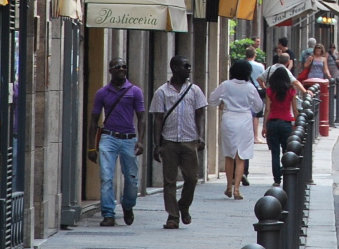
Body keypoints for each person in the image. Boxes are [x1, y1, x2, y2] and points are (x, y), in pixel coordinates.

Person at [149, 56, 207, 229]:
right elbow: (157, 118)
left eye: (189, 66)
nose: (189, 68)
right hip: (169, 141)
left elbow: (200, 114)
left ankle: (184, 205)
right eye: (185, 66)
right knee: (169, 181)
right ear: (174, 67)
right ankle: (172, 216)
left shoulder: (195, 90)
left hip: (189, 140)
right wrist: (157, 144)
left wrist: (201, 136)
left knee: (191, 178)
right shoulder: (162, 92)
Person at [87, 57, 145, 227]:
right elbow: (93, 120)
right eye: (117, 67)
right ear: (110, 71)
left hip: (129, 139)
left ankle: (128, 205)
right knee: (106, 177)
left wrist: (140, 141)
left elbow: (141, 118)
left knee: (132, 179)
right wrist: (91, 147)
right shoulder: (102, 93)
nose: (122, 69)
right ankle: (108, 214)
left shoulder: (135, 91)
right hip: (108, 138)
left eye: (124, 66)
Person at [208, 59, 264, 200]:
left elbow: (212, 99)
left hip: (229, 119)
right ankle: (237, 190)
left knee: (229, 155)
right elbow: (258, 106)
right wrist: (247, 107)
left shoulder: (226, 85)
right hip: (244, 121)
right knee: (241, 156)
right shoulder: (250, 87)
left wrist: (222, 103)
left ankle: (228, 186)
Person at [263, 65, 298, 186]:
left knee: (274, 153)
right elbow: (295, 109)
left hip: (273, 122)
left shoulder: (270, 91)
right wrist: (297, 122)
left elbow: (267, 109)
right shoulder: (291, 91)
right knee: (286, 151)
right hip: (286, 123)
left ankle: (277, 180)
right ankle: (286, 173)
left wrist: (264, 126)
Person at [246, 48, 268, 145]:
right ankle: (255, 136)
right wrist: (264, 87)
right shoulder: (260, 66)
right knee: (256, 115)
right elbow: (263, 78)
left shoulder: (243, 65)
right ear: (254, 55)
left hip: (245, 90)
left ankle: (247, 136)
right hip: (256, 91)